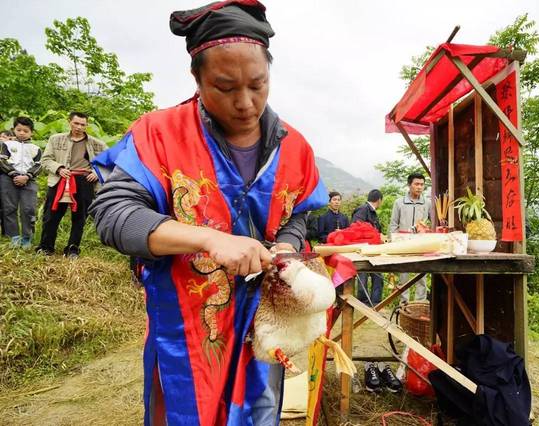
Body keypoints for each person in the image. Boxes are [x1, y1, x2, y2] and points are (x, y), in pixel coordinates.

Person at [88, 1, 327, 424]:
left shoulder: (296, 148)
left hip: (264, 324)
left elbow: (297, 215)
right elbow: (112, 212)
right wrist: (209, 238)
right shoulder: (158, 133)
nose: (245, 102)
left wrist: (287, 251)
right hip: (187, 328)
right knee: (187, 412)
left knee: (261, 409)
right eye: (225, 86)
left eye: (257, 84)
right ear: (196, 78)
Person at [35, 112, 107, 257]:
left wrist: (97, 172)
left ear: (87, 125)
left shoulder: (96, 143)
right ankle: (46, 248)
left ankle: (72, 249)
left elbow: (109, 162)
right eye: (76, 123)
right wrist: (59, 168)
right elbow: (46, 160)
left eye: (82, 124)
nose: (79, 127)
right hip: (60, 179)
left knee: (79, 217)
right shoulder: (56, 139)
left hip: (84, 181)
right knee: (51, 215)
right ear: (70, 122)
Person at [389, 172, 431, 303]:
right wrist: (393, 243)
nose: (419, 187)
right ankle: (403, 304)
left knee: (421, 275)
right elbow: (393, 224)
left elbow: (433, 222)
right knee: (404, 275)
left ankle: (420, 303)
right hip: (403, 243)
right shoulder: (399, 202)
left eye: (422, 184)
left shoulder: (427, 203)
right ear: (409, 185)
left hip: (421, 243)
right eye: (416, 184)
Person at [0, 117, 41, 248]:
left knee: (28, 209)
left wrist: (27, 176)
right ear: (14, 130)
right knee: (9, 208)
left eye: (26, 130)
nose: (22, 133)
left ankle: (26, 238)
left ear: (31, 132)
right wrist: (14, 174)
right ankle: (14, 237)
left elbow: (39, 165)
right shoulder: (7, 145)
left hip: (29, 180)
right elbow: (2, 161)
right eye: (19, 130)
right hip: (8, 178)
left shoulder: (36, 148)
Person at [351, 189, 384, 306]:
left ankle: (375, 302)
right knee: (363, 275)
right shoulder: (363, 209)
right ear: (379, 200)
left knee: (378, 274)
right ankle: (363, 302)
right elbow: (356, 228)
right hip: (364, 249)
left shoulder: (372, 211)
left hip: (373, 249)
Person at [0, 130, 16, 236]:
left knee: (7, 206)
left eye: (7, 137)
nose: (2, 138)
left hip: (7, 178)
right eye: (1, 136)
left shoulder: (14, 149)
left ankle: (7, 233)